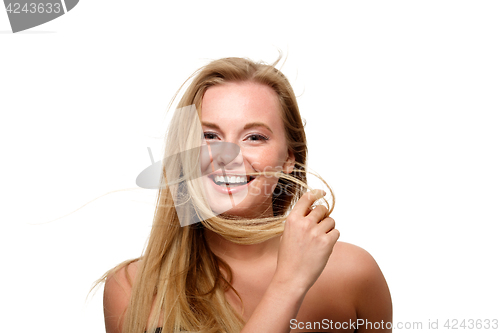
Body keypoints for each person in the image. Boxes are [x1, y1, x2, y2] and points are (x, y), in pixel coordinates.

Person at [98, 57, 392, 333]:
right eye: (209, 136)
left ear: (289, 158)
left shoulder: (354, 273)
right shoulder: (131, 287)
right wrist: (289, 284)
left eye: (254, 137)